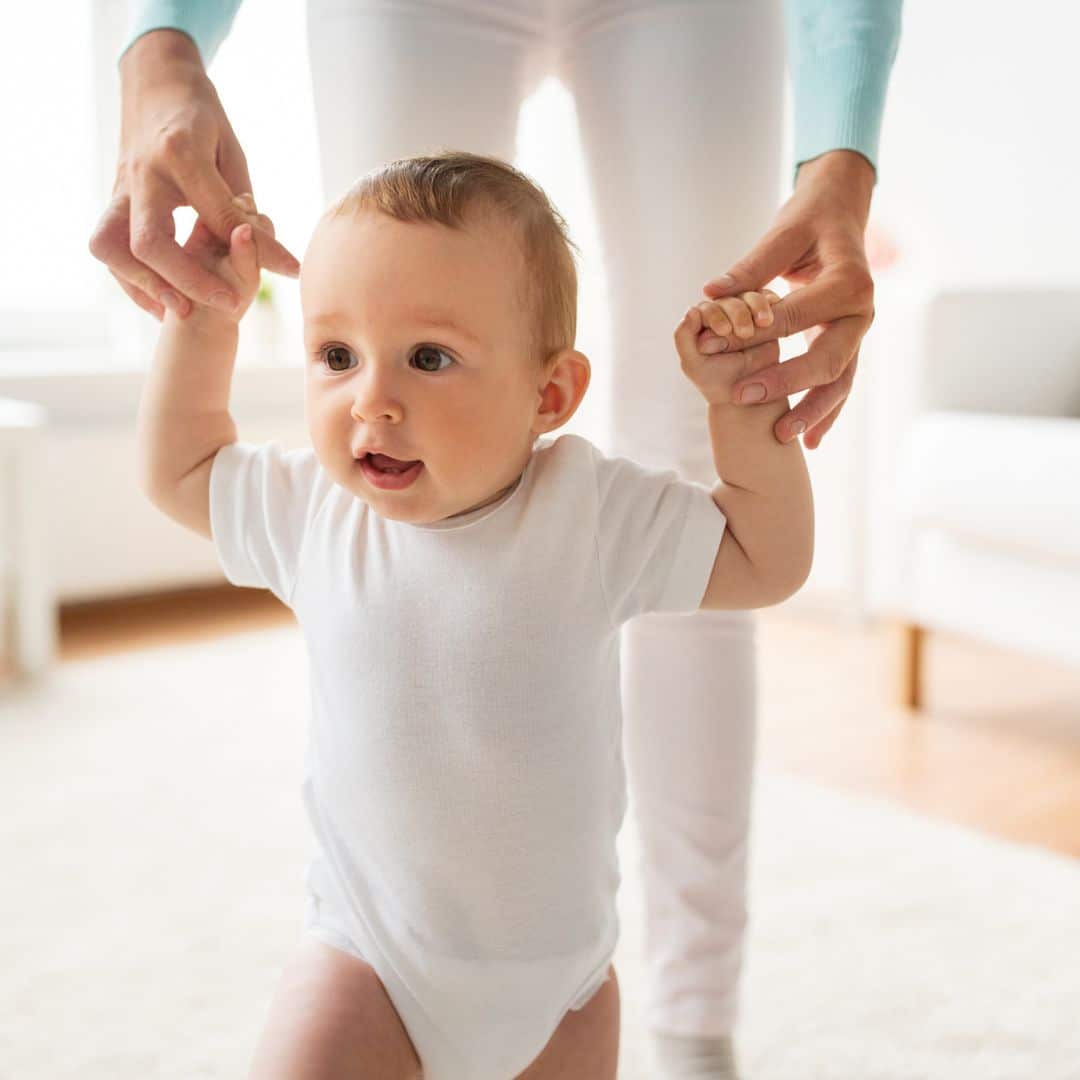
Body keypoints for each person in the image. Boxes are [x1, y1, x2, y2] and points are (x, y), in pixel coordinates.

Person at [93, 3, 901, 1076]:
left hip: (564, 996)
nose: (370, 402)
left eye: (428, 359)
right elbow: (183, 469)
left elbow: (764, 560)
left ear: (550, 394)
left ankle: (700, 1019)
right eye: (337, 356)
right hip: (368, 968)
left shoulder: (593, 512)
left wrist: (745, 420)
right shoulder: (314, 511)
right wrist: (203, 327)